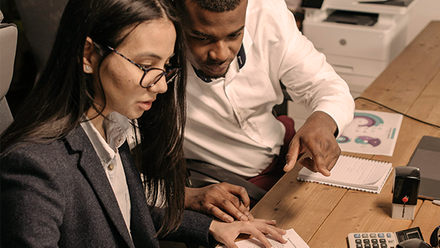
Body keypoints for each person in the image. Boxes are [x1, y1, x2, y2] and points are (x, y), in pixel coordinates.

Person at [0, 0, 288, 247]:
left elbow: (123, 211)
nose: (162, 85)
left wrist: (210, 228)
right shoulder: (32, 166)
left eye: (166, 66)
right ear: (88, 55)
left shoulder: (111, 127)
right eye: (146, 66)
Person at [177, 0, 355, 223]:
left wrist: (323, 121)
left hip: (288, 154)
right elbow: (123, 174)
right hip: (228, 183)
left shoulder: (266, 12)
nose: (220, 54)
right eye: (202, 38)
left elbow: (325, 84)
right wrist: (186, 196)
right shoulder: (149, 48)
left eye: (234, 35)